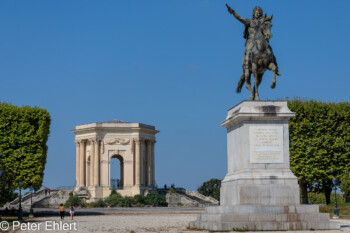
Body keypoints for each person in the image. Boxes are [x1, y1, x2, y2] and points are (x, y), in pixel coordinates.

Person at [226, 4, 281, 76]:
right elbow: (239, 18)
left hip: (260, 40)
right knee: (248, 49)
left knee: (270, 50)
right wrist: (233, 12)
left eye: (258, 12)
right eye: (256, 12)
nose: (257, 13)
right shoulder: (249, 21)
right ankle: (246, 67)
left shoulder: (261, 21)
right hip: (252, 40)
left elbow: (267, 22)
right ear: (253, 13)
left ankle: (276, 68)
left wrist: (268, 19)